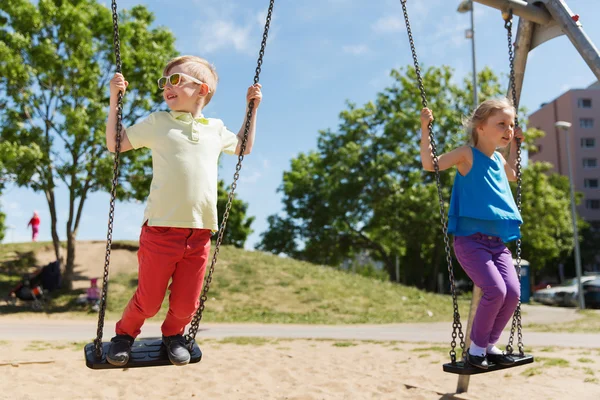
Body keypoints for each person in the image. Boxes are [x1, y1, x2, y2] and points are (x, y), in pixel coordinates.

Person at [104, 55, 263, 367]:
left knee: (186, 303)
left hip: (200, 232)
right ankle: (124, 334)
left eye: (175, 80)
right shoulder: (158, 123)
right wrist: (114, 98)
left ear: (201, 89)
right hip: (161, 230)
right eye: (164, 82)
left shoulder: (215, 129)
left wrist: (252, 109)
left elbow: (243, 146)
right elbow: (116, 143)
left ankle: (175, 335)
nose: (166, 87)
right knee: (148, 301)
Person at [420, 98, 524, 370]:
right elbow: (431, 164)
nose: (508, 129)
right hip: (470, 242)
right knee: (495, 290)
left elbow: (512, 174)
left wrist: (516, 145)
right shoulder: (467, 154)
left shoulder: (500, 158)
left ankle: (489, 345)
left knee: (512, 293)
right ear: (480, 127)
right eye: (501, 123)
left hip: (496, 243)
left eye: (511, 124)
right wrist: (424, 128)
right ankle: (476, 350)